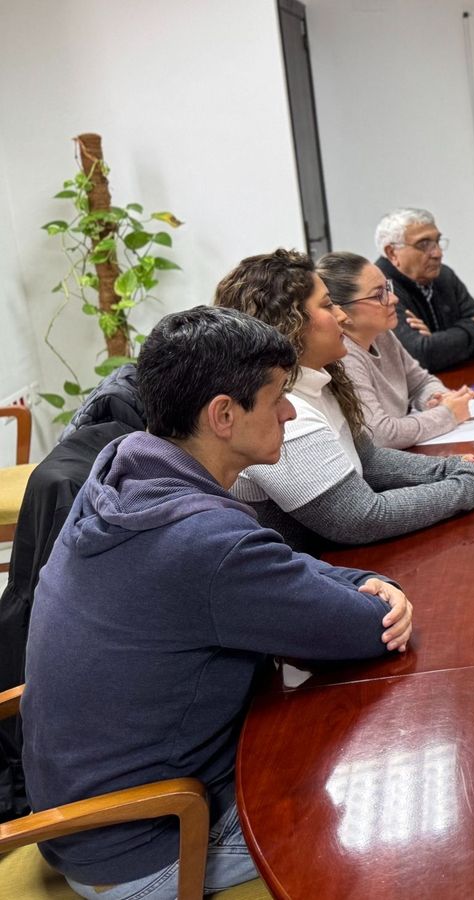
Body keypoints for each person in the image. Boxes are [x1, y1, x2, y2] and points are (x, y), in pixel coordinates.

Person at [22, 306, 413, 900]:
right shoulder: (200, 541)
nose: (289, 413)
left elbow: (273, 561)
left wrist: (356, 577)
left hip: (82, 817)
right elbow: (368, 628)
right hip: (150, 841)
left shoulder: (125, 470)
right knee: (379, 817)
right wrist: (379, 592)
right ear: (224, 414)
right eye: (277, 397)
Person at [217, 249, 474, 552]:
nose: (341, 315)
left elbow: (369, 460)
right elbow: (361, 518)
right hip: (320, 566)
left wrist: (449, 468)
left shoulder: (322, 381)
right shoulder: (285, 412)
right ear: (292, 323)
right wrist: (469, 485)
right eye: (328, 305)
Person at [318, 250, 474, 449]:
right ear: (341, 311)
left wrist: (436, 398)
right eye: (378, 295)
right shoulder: (344, 356)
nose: (393, 299)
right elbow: (381, 435)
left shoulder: (382, 334)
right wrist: (448, 414)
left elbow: (421, 382)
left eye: (388, 288)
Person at [374, 207, 474, 371]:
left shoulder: (445, 276)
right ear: (392, 253)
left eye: (437, 241)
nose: (438, 253)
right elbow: (421, 357)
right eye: (424, 244)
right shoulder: (379, 288)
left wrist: (438, 344)